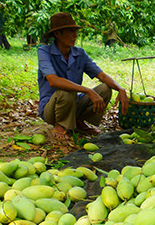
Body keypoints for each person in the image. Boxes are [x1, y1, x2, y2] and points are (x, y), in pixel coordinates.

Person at [37, 12, 129, 140]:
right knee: (66, 91)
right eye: (71, 31)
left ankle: (79, 121)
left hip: (74, 103)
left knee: (105, 89)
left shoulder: (79, 53)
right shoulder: (44, 52)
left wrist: (120, 89)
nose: (75, 35)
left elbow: (101, 76)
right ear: (57, 34)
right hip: (51, 108)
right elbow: (53, 81)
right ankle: (60, 124)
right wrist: (88, 91)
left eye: (75, 31)